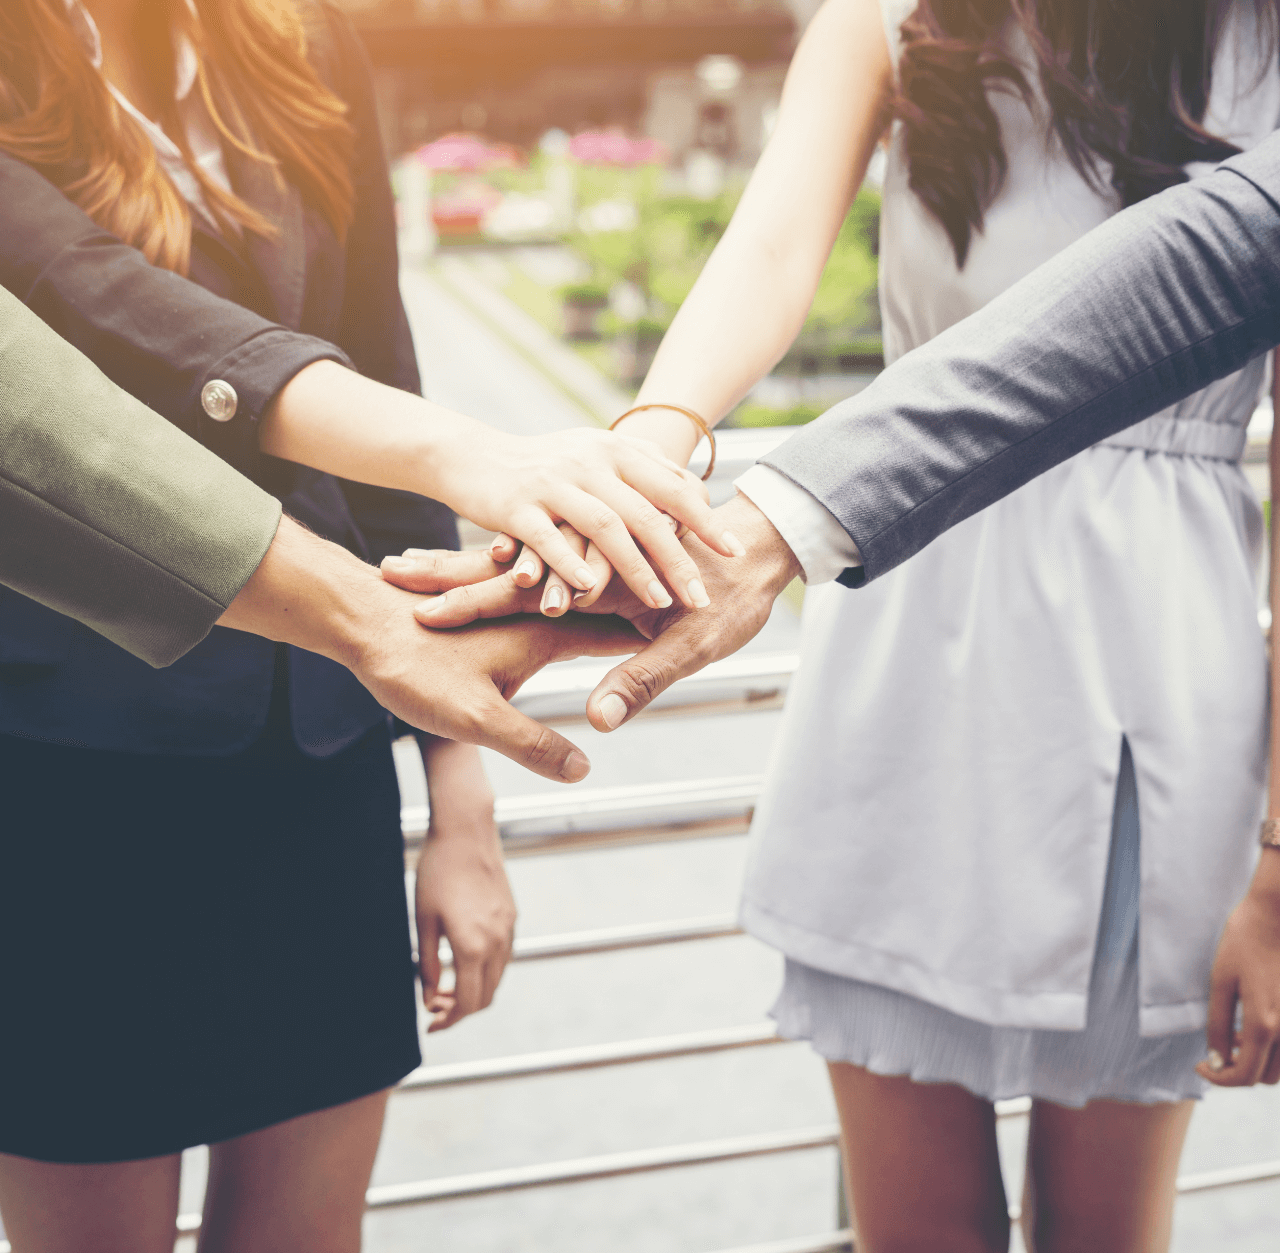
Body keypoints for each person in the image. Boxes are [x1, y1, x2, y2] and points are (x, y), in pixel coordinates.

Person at [389, 2, 1280, 1248]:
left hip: (1148, 659)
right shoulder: (898, 18)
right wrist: (644, 457)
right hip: (910, 611)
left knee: (1105, 1231)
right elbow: (767, 251)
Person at [0, 3, 655, 1250]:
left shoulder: (294, 35)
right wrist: (477, 455)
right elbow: (84, 304)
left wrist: (459, 801)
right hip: (59, 766)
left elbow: (378, 362)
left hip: (313, 748)